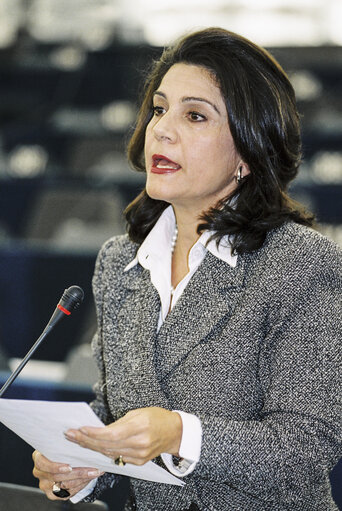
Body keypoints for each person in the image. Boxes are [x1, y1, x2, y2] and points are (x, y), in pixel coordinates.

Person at [32, 27, 342, 511]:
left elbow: (306, 448)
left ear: (248, 149)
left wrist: (179, 433)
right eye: (159, 109)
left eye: (194, 115)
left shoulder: (301, 263)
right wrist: (79, 464)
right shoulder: (119, 263)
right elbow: (115, 411)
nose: (161, 129)